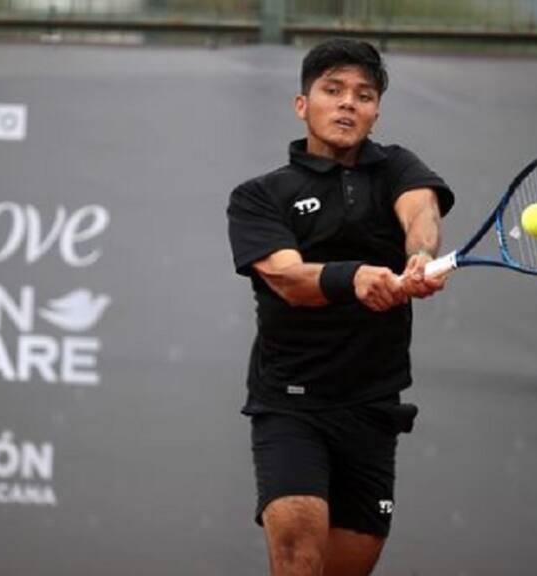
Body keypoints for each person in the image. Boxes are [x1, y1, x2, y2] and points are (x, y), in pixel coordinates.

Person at [227, 38, 454, 576]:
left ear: (376, 113)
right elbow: (287, 278)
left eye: (364, 94)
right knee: (298, 559)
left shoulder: (398, 168)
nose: (349, 103)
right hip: (291, 404)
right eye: (333, 90)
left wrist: (420, 256)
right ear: (303, 105)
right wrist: (353, 277)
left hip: (372, 406)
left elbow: (419, 211)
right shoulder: (260, 196)